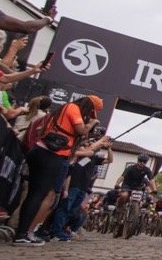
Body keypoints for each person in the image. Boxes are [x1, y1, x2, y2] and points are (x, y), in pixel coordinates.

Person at [13, 95, 103, 244]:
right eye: (91, 112)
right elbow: (81, 130)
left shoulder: (62, 110)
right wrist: (91, 123)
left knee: (34, 194)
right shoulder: (72, 108)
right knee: (38, 195)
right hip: (51, 155)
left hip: (42, 152)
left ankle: (22, 232)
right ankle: (23, 233)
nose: (89, 116)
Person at [51, 128, 112, 239]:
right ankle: (56, 230)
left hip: (83, 187)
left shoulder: (93, 157)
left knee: (73, 210)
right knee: (65, 208)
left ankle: (63, 229)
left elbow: (109, 160)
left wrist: (109, 149)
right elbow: (89, 149)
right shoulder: (80, 152)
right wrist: (100, 141)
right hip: (73, 185)